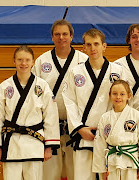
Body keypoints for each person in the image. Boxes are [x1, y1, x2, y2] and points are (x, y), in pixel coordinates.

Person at [0, 45, 60, 180]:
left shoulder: (42, 86)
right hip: (12, 144)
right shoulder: (5, 87)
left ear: (33, 62)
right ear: (14, 61)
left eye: (27, 60)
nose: (24, 63)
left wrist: (49, 146)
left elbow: (51, 116)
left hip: (35, 143)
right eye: (20, 60)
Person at [63, 28, 124, 180]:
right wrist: (79, 128)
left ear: (104, 46)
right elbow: (70, 102)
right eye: (88, 45)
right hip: (84, 136)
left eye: (96, 44)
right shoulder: (76, 72)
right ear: (84, 47)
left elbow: (124, 102)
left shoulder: (118, 71)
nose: (92, 48)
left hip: (110, 136)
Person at [32, 19, 88, 180]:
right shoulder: (42, 61)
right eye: (57, 34)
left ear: (71, 36)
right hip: (50, 127)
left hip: (76, 128)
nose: (61, 37)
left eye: (65, 34)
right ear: (52, 37)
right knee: (49, 174)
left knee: (76, 174)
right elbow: (34, 95)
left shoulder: (83, 60)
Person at [93, 80, 139, 180]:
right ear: (110, 95)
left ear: (128, 96)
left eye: (122, 94)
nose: (118, 97)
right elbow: (99, 144)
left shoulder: (136, 115)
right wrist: (101, 169)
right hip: (111, 162)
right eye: (114, 94)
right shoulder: (105, 117)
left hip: (131, 161)